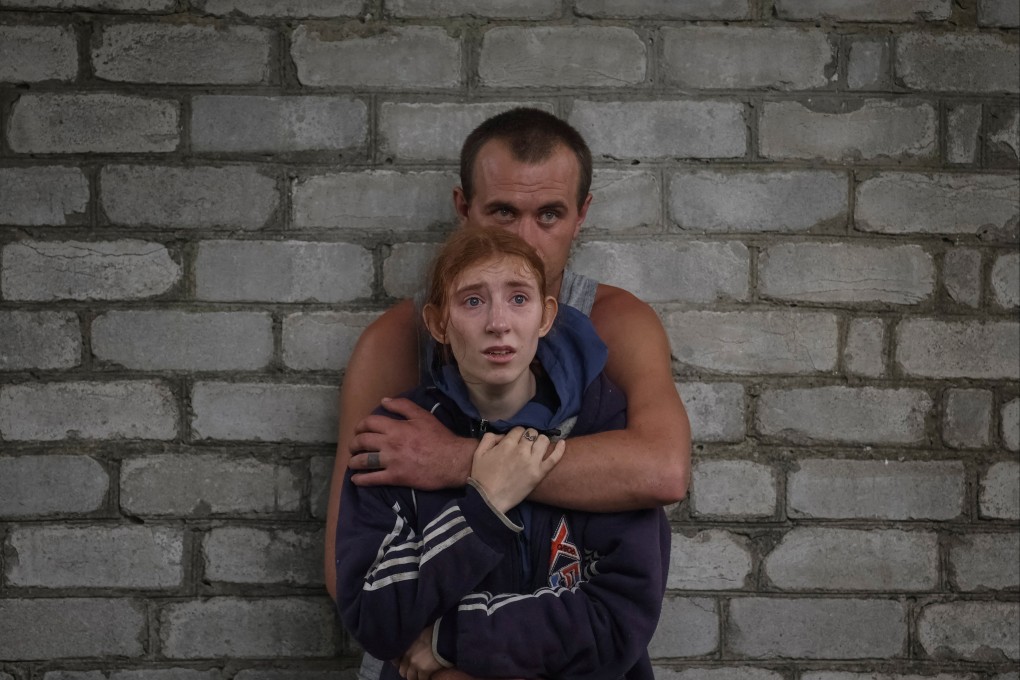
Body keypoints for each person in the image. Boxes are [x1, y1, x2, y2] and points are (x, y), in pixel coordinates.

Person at [336, 227, 670, 679]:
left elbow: (615, 622)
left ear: (545, 316)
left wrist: (451, 639)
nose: (498, 322)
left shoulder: (602, 430)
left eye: (518, 299)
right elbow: (374, 618)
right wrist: (483, 509)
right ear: (438, 323)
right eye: (472, 301)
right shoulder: (396, 441)